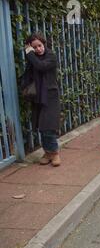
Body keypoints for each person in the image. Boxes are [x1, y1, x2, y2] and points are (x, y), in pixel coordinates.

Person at [22, 32, 61, 167]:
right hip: (38, 96)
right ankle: (47, 152)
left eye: (40, 45)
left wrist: (30, 53)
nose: (39, 49)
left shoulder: (51, 56)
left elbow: (41, 66)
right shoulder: (33, 59)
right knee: (41, 127)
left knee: (48, 126)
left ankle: (55, 153)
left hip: (50, 96)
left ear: (43, 43)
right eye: (35, 47)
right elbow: (29, 73)